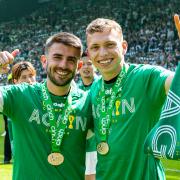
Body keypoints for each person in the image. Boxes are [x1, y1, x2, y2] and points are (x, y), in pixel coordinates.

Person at [85, 14, 180, 179]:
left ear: (124, 47)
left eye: (109, 45)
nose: (102, 53)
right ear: (88, 52)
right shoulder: (93, 90)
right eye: (95, 47)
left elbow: (174, 83)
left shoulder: (146, 77)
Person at [0, 32, 93, 180]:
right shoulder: (20, 95)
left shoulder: (88, 102)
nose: (63, 65)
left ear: (78, 66)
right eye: (57, 57)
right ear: (44, 61)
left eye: (71, 60)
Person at [77, 52, 98, 180]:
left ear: (95, 65)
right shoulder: (75, 89)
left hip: (100, 144)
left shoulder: (102, 86)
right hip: (80, 145)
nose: (85, 67)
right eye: (82, 64)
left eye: (89, 64)